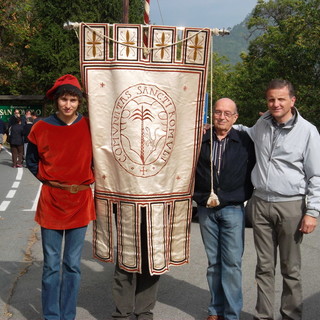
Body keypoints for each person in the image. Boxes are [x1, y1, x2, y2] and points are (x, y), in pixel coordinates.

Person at [238, 79, 320, 320]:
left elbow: (316, 174)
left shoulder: (308, 132)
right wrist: (221, 126)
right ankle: (263, 316)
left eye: (281, 99)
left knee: (290, 268)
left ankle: (291, 316)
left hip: (291, 206)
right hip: (260, 203)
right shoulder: (262, 124)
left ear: (292, 101)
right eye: (271, 99)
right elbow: (247, 133)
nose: (275, 104)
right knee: (263, 267)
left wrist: (312, 212)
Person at [26, 74, 96, 320]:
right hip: (52, 200)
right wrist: (52, 181)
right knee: (51, 265)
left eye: (73, 100)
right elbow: (31, 162)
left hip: (80, 201)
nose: (68, 105)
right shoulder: (41, 127)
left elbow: (98, 159)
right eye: (64, 99)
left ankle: (68, 315)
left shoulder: (89, 126)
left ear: (79, 103)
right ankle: (51, 316)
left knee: (73, 265)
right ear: (57, 101)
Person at [193, 98, 255, 320]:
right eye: (218, 112)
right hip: (206, 209)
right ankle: (215, 309)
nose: (222, 117)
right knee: (214, 263)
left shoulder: (246, 141)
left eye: (228, 113)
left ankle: (231, 314)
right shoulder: (200, 138)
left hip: (233, 209)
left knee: (232, 264)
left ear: (235, 118)